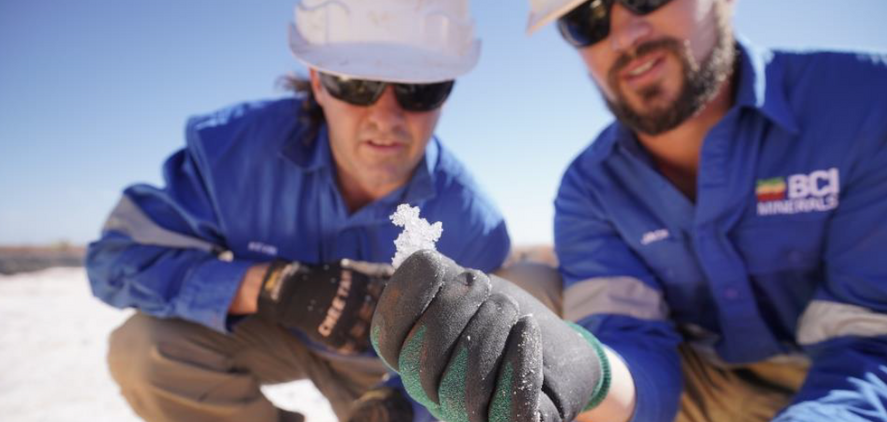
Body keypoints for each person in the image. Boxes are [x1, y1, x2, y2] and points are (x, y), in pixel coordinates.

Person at [371, 0, 887, 421]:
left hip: (847, 381)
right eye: (587, 19)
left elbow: (870, 341)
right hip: (698, 386)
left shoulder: (864, 104)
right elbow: (633, 341)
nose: (624, 34)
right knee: (524, 296)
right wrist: (584, 372)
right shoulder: (590, 187)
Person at [85, 1, 511, 421]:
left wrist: (398, 406)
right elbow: (116, 259)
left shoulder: (475, 226)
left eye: (419, 89)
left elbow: (465, 360)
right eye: (356, 83)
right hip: (267, 331)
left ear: (447, 90)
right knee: (144, 350)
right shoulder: (233, 153)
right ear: (318, 82)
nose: (385, 117)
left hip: (384, 367)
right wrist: (274, 288)